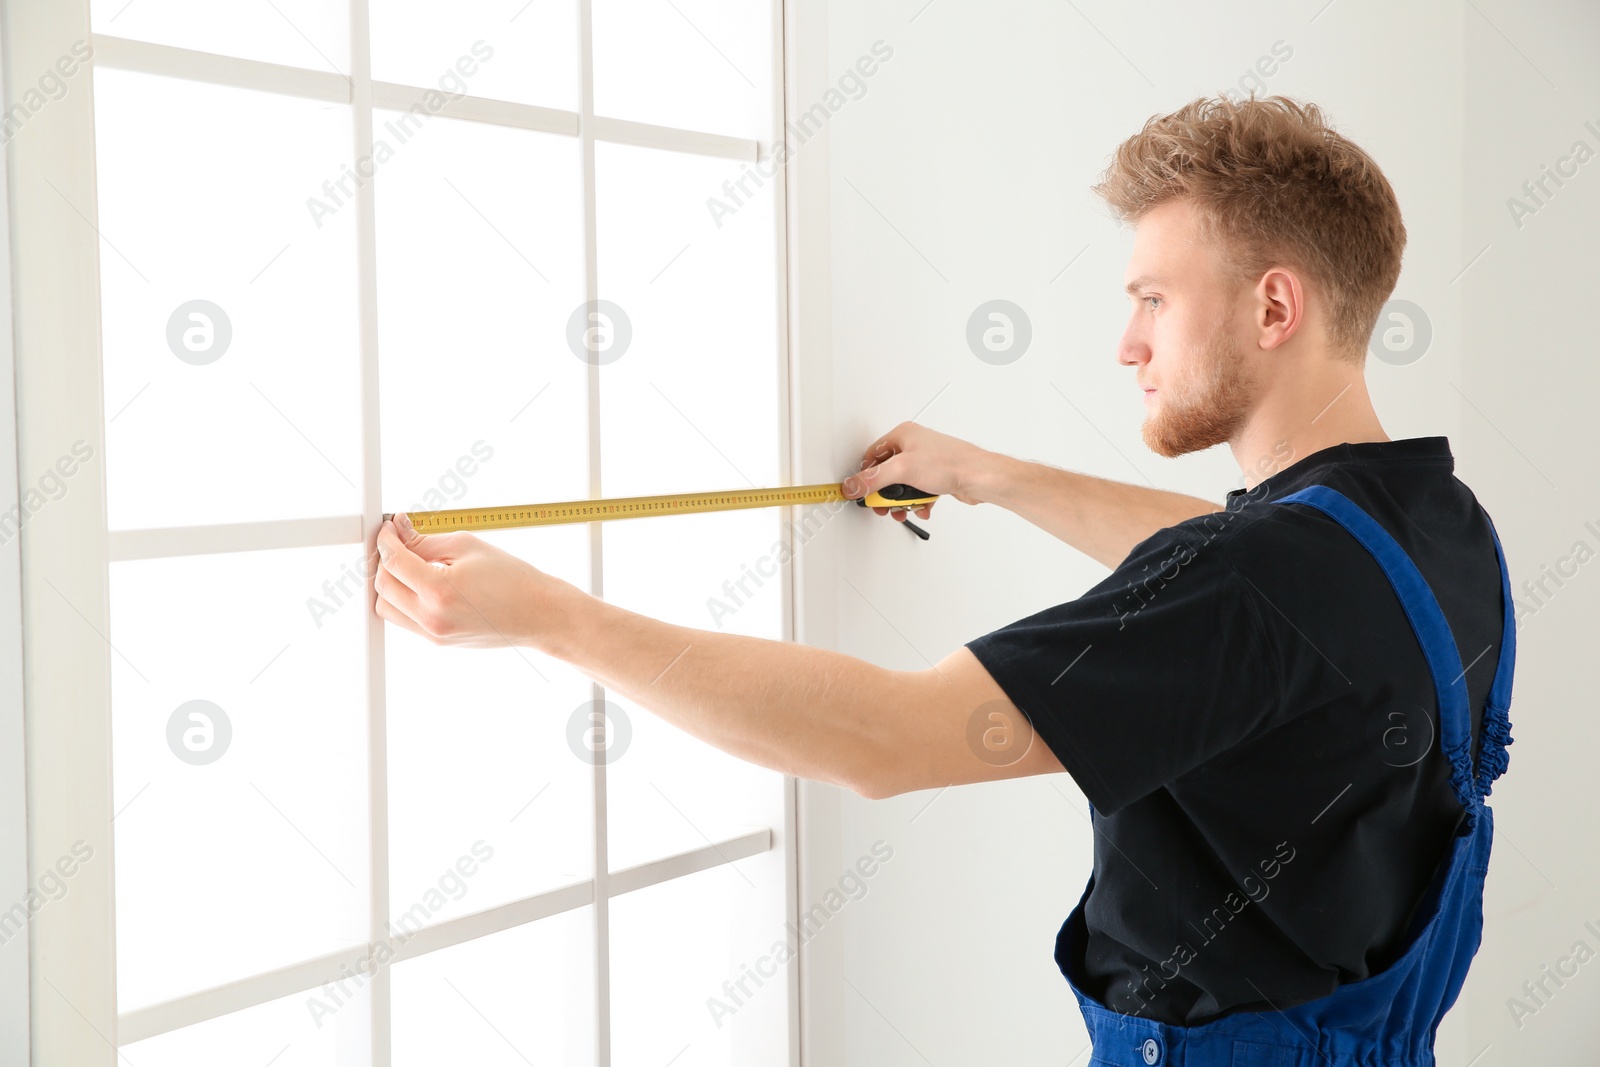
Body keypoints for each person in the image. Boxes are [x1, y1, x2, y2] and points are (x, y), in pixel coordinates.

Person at [372, 93, 1514, 1065]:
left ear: (1274, 306)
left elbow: (885, 738)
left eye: (1153, 297)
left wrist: (552, 618)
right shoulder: (1430, 526)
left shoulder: (1251, 581)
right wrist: (987, 474)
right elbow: (1244, 567)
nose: (1126, 344)